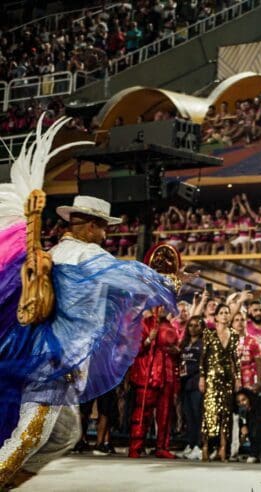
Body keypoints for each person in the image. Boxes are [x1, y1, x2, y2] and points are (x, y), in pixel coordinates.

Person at [0, 124, 178, 491]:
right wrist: (167, 283)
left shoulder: (59, 252)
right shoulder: (87, 254)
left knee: (64, 435)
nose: (106, 234)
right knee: (31, 435)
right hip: (52, 361)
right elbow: (125, 275)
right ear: (89, 226)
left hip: (53, 358)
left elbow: (113, 292)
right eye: (103, 227)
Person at [128, 307, 180, 459]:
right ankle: (136, 447)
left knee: (165, 415)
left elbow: (175, 348)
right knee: (142, 412)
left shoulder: (170, 325)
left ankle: (162, 447)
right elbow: (135, 348)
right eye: (160, 304)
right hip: (148, 374)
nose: (163, 308)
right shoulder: (144, 323)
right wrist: (149, 340)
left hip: (167, 374)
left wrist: (175, 351)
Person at [200, 304, 240, 462]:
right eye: (221, 313)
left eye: (227, 313)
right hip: (211, 378)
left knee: (226, 414)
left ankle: (222, 449)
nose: (224, 315)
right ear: (215, 316)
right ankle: (205, 447)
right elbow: (203, 357)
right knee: (210, 414)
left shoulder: (234, 334)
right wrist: (202, 377)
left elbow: (235, 358)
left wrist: (238, 377)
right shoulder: (208, 333)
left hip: (227, 379)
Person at [179, 316, 204, 461]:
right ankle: (190, 443)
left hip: (196, 382)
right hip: (185, 383)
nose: (193, 328)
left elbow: (202, 363)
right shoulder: (185, 343)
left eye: (197, 325)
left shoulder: (203, 344)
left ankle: (198, 446)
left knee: (197, 415)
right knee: (188, 416)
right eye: (190, 325)